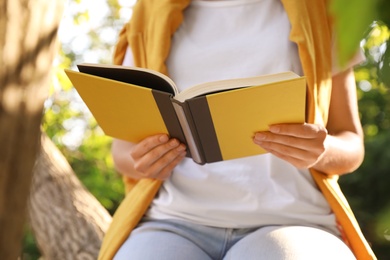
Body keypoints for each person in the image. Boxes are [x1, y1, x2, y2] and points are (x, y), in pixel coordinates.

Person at [98, 0, 376, 259]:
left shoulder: (318, 9)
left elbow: (351, 143)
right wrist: (146, 160)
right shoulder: (150, 13)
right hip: (171, 221)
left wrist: (321, 150)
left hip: (294, 221)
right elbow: (122, 150)